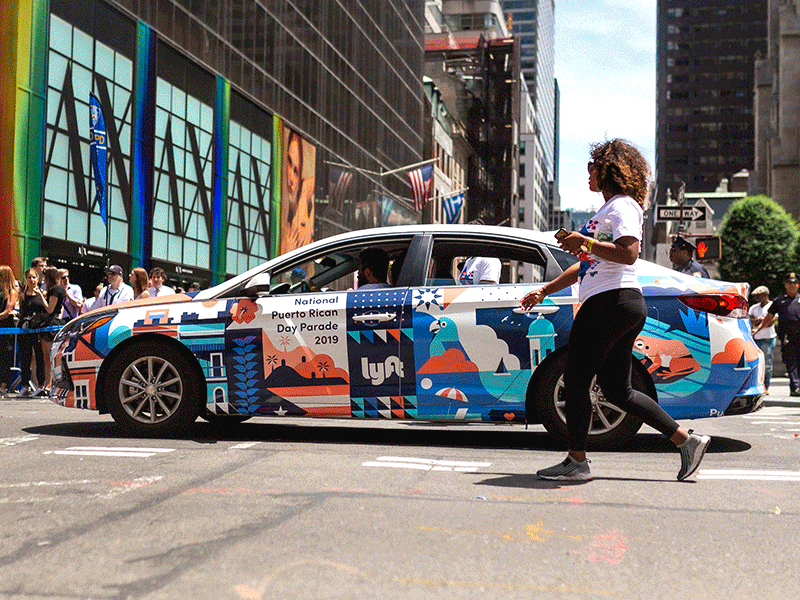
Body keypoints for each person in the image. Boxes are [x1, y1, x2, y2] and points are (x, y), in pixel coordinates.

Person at [519, 139, 710, 482]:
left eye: (591, 167)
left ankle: (576, 461)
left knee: (576, 379)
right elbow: (586, 267)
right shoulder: (609, 210)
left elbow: (629, 253)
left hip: (610, 302)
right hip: (617, 302)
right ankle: (687, 440)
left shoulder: (622, 206)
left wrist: (586, 242)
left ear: (608, 169)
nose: (588, 174)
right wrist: (544, 290)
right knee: (618, 390)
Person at [754, 273, 800, 396]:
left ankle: (796, 387)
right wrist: (758, 329)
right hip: (787, 337)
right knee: (791, 362)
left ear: (798, 285)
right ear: (786, 285)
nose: (792, 285)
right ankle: (796, 387)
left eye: (794, 283)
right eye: (790, 283)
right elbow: (769, 317)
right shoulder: (780, 300)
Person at [280, 129, 315, 255]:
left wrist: (311, 223)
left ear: (300, 176)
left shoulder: (303, 192)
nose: (290, 178)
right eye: (289, 162)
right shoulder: (286, 235)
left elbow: (314, 181)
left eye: (296, 171)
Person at [17, 268, 47, 396]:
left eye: (34, 277)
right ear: (26, 279)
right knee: (25, 357)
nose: (31, 280)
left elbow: (47, 309)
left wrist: (40, 295)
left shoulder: (43, 293)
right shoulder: (22, 296)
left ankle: (41, 385)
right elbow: (22, 312)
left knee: (40, 357)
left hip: (39, 330)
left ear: (38, 278)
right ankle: (25, 386)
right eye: (29, 277)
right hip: (25, 329)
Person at [37, 266, 67, 394]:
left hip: (52, 324)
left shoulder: (56, 289)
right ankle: (47, 384)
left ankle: (50, 385)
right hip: (48, 324)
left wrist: (40, 295)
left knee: (50, 356)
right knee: (45, 357)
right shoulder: (54, 289)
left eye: (44, 276)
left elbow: (50, 309)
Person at [749, 285, 776, 393]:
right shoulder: (754, 307)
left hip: (768, 338)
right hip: (755, 338)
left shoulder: (772, 306)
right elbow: (749, 320)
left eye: (759, 296)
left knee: (767, 365)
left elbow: (771, 322)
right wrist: (760, 319)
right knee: (756, 365)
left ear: (765, 295)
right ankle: (757, 386)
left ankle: (766, 387)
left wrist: (758, 321)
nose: (757, 298)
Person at [0, 265, 19, 395]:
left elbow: (8, 311)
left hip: (5, 327)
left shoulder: (12, 292)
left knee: (4, 356)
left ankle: (3, 385)